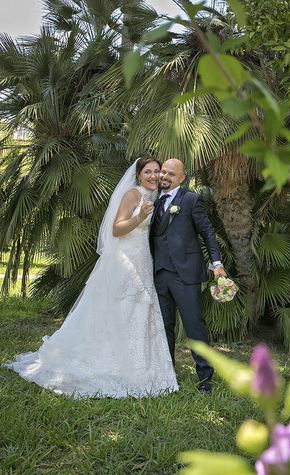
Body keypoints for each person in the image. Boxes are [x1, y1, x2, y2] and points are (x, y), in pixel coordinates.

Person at [4, 157, 179, 398]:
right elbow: (116, 228)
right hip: (125, 260)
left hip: (143, 260)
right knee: (123, 306)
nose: (152, 175)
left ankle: (139, 364)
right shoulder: (133, 195)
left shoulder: (153, 197)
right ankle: (110, 363)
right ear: (138, 175)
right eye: (147, 171)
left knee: (138, 309)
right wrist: (139, 218)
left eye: (157, 171)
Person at [150, 158, 226, 393]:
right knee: (165, 327)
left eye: (171, 174)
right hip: (159, 273)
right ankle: (167, 374)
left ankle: (205, 379)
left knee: (194, 327)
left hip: (186, 275)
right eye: (163, 171)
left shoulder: (191, 200)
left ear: (182, 178)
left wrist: (217, 263)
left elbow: (207, 233)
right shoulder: (151, 201)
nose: (165, 176)